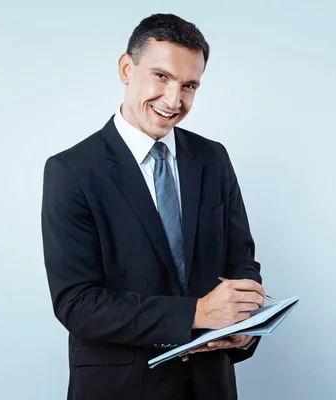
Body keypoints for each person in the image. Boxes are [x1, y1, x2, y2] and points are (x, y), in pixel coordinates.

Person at [41, 13, 265, 400]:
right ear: (127, 68)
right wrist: (196, 314)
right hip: (119, 388)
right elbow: (77, 305)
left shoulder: (213, 159)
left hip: (210, 384)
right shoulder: (72, 170)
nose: (174, 101)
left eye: (189, 85)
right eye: (161, 76)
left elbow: (242, 263)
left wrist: (244, 324)